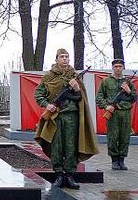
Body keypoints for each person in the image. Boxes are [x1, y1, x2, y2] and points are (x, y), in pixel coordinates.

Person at [35, 48, 99, 189]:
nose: (65, 59)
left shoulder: (75, 76)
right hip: (56, 117)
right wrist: (47, 105)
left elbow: (81, 98)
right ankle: (58, 175)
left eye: (67, 57)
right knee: (56, 146)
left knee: (71, 146)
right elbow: (38, 94)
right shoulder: (49, 76)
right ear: (56, 59)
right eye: (62, 57)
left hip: (72, 116)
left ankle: (69, 175)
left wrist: (76, 89)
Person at [95, 58, 136, 170]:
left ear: (123, 68)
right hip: (113, 113)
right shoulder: (106, 81)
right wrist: (106, 106)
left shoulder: (128, 82)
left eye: (120, 67)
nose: (118, 69)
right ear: (112, 67)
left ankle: (121, 160)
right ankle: (114, 160)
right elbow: (99, 97)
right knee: (113, 137)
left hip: (126, 112)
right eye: (116, 66)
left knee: (124, 137)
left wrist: (128, 91)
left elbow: (134, 98)